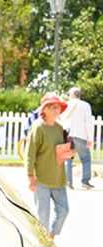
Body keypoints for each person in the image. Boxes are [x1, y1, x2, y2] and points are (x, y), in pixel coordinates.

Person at [25, 92, 69, 238]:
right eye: (53, 107)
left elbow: (62, 151)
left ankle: (49, 237)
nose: (57, 110)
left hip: (58, 178)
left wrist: (74, 150)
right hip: (41, 180)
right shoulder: (38, 128)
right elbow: (30, 153)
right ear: (44, 109)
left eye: (58, 108)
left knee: (63, 211)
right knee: (43, 217)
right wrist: (30, 176)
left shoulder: (59, 128)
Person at [62, 86, 94, 189]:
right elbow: (88, 123)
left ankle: (68, 182)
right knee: (86, 159)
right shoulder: (85, 105)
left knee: (68, 159)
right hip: (81, 135)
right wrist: (90, 138)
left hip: (68, 135)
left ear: (71, 95)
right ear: (79, 95)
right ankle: (85, 182)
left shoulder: (66, 105)